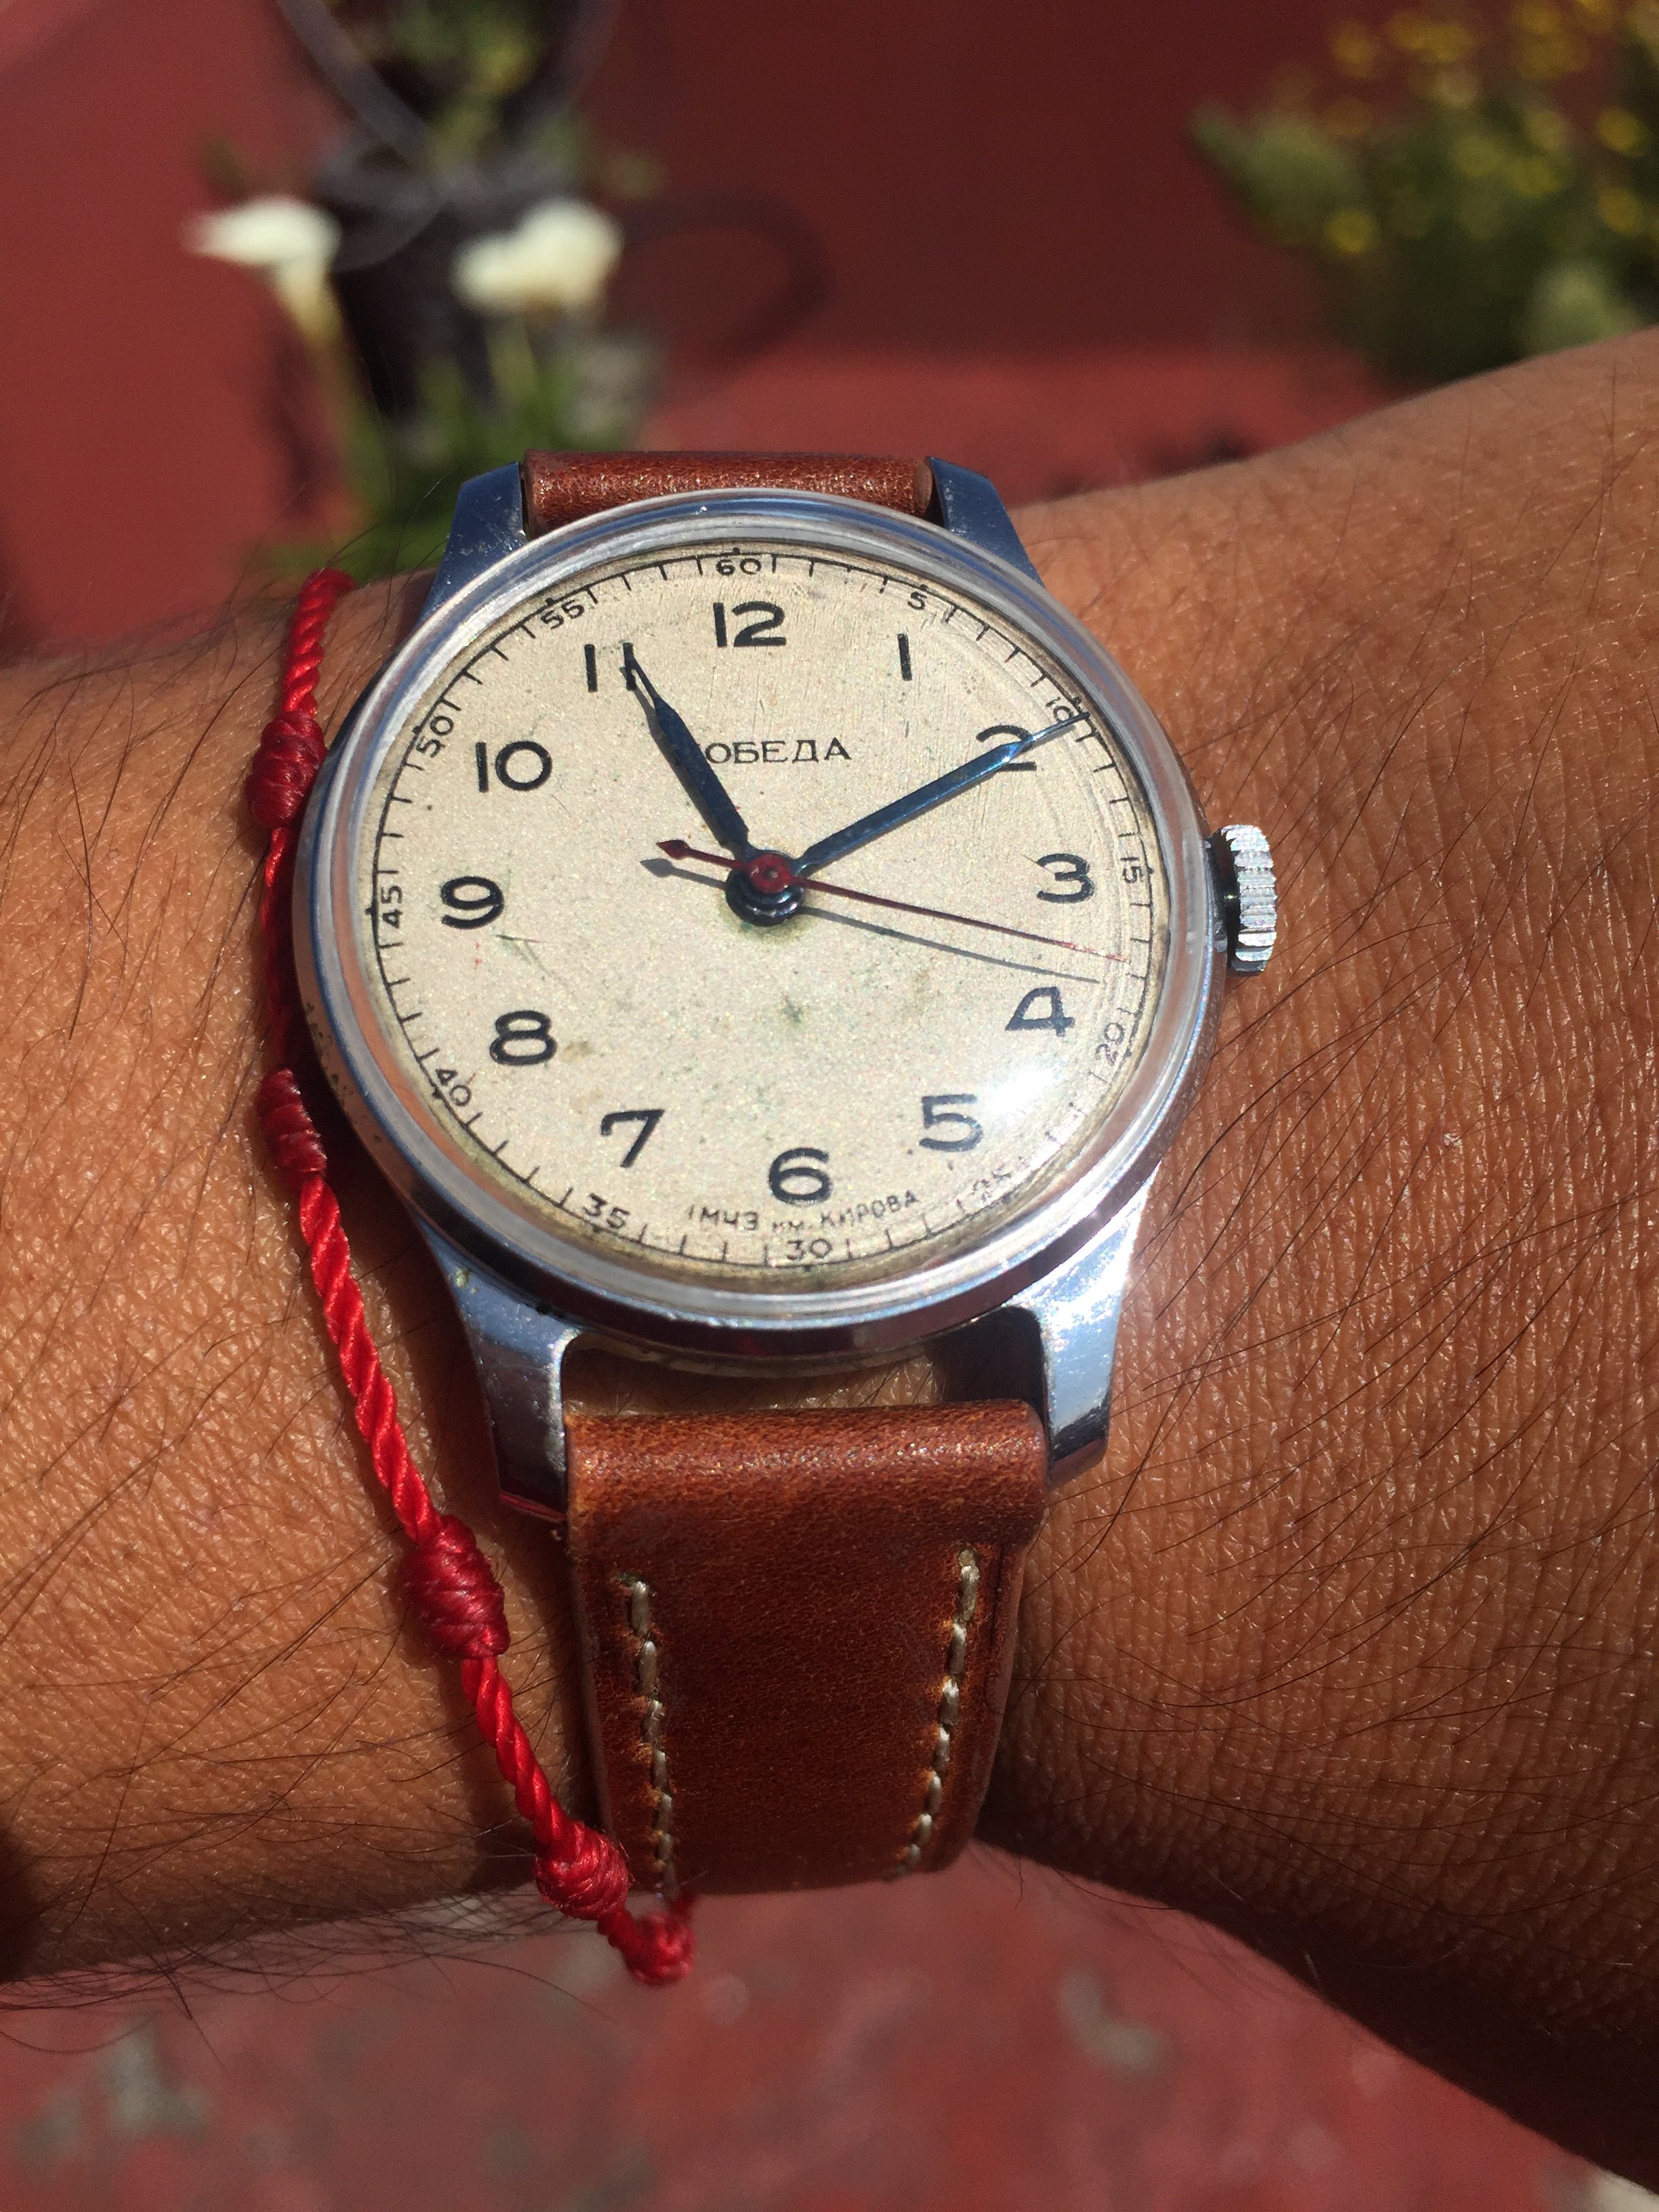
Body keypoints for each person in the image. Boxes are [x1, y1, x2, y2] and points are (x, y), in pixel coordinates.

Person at [2, 329, 1656, 2183]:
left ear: (1218, 901)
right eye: (753, 872)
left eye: (781, 873)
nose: (770, 880)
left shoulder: (1076, 899)